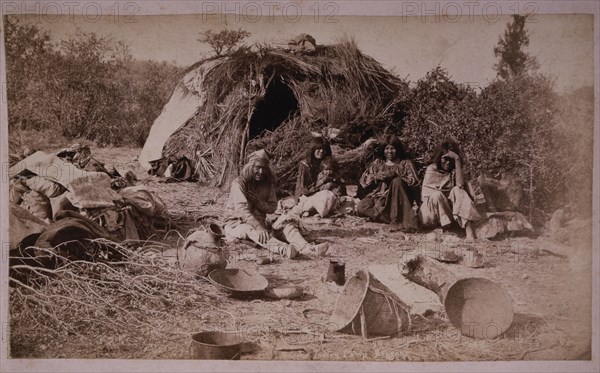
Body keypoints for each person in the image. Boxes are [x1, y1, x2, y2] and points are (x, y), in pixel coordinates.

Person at [224, 149, 328, 258]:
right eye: (257, 167)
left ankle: (307, 248)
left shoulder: (267, 184)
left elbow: (272, 208)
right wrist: (258, 227)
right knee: (252, 231)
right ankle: (285, 249)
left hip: (261, 223)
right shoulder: (239, 183)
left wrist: (258, 202)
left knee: (286, 224)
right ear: (250, 166)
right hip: (236, 224)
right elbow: (241, 210)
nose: (261, 171)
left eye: (264, 168)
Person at [417, 140, 481, 242]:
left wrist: (457, 160)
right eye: (445, 159)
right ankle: (446, 228)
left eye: (451, 160)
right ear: (439, 158)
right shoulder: (431, 169)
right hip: (429, 214)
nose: (448, 162)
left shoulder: (455, 171)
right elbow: (426, 197)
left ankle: (469, 231)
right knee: (437, 194)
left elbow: (460, 185)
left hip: (448, 213)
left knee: (458, 190)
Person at [356, 135, 420, 231]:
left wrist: (397, 175)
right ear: (383, 150)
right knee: (361, 207)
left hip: (398, 199)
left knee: (397, 181)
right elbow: (364, 181)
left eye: (393, 148)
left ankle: (400, 220)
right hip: (379, 197)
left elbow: (415, 182)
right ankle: (386, 217)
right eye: (386, 148)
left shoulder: (405, 163)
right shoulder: (378, 163)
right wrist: (376, 177)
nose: (389, 152)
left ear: (398, 149)